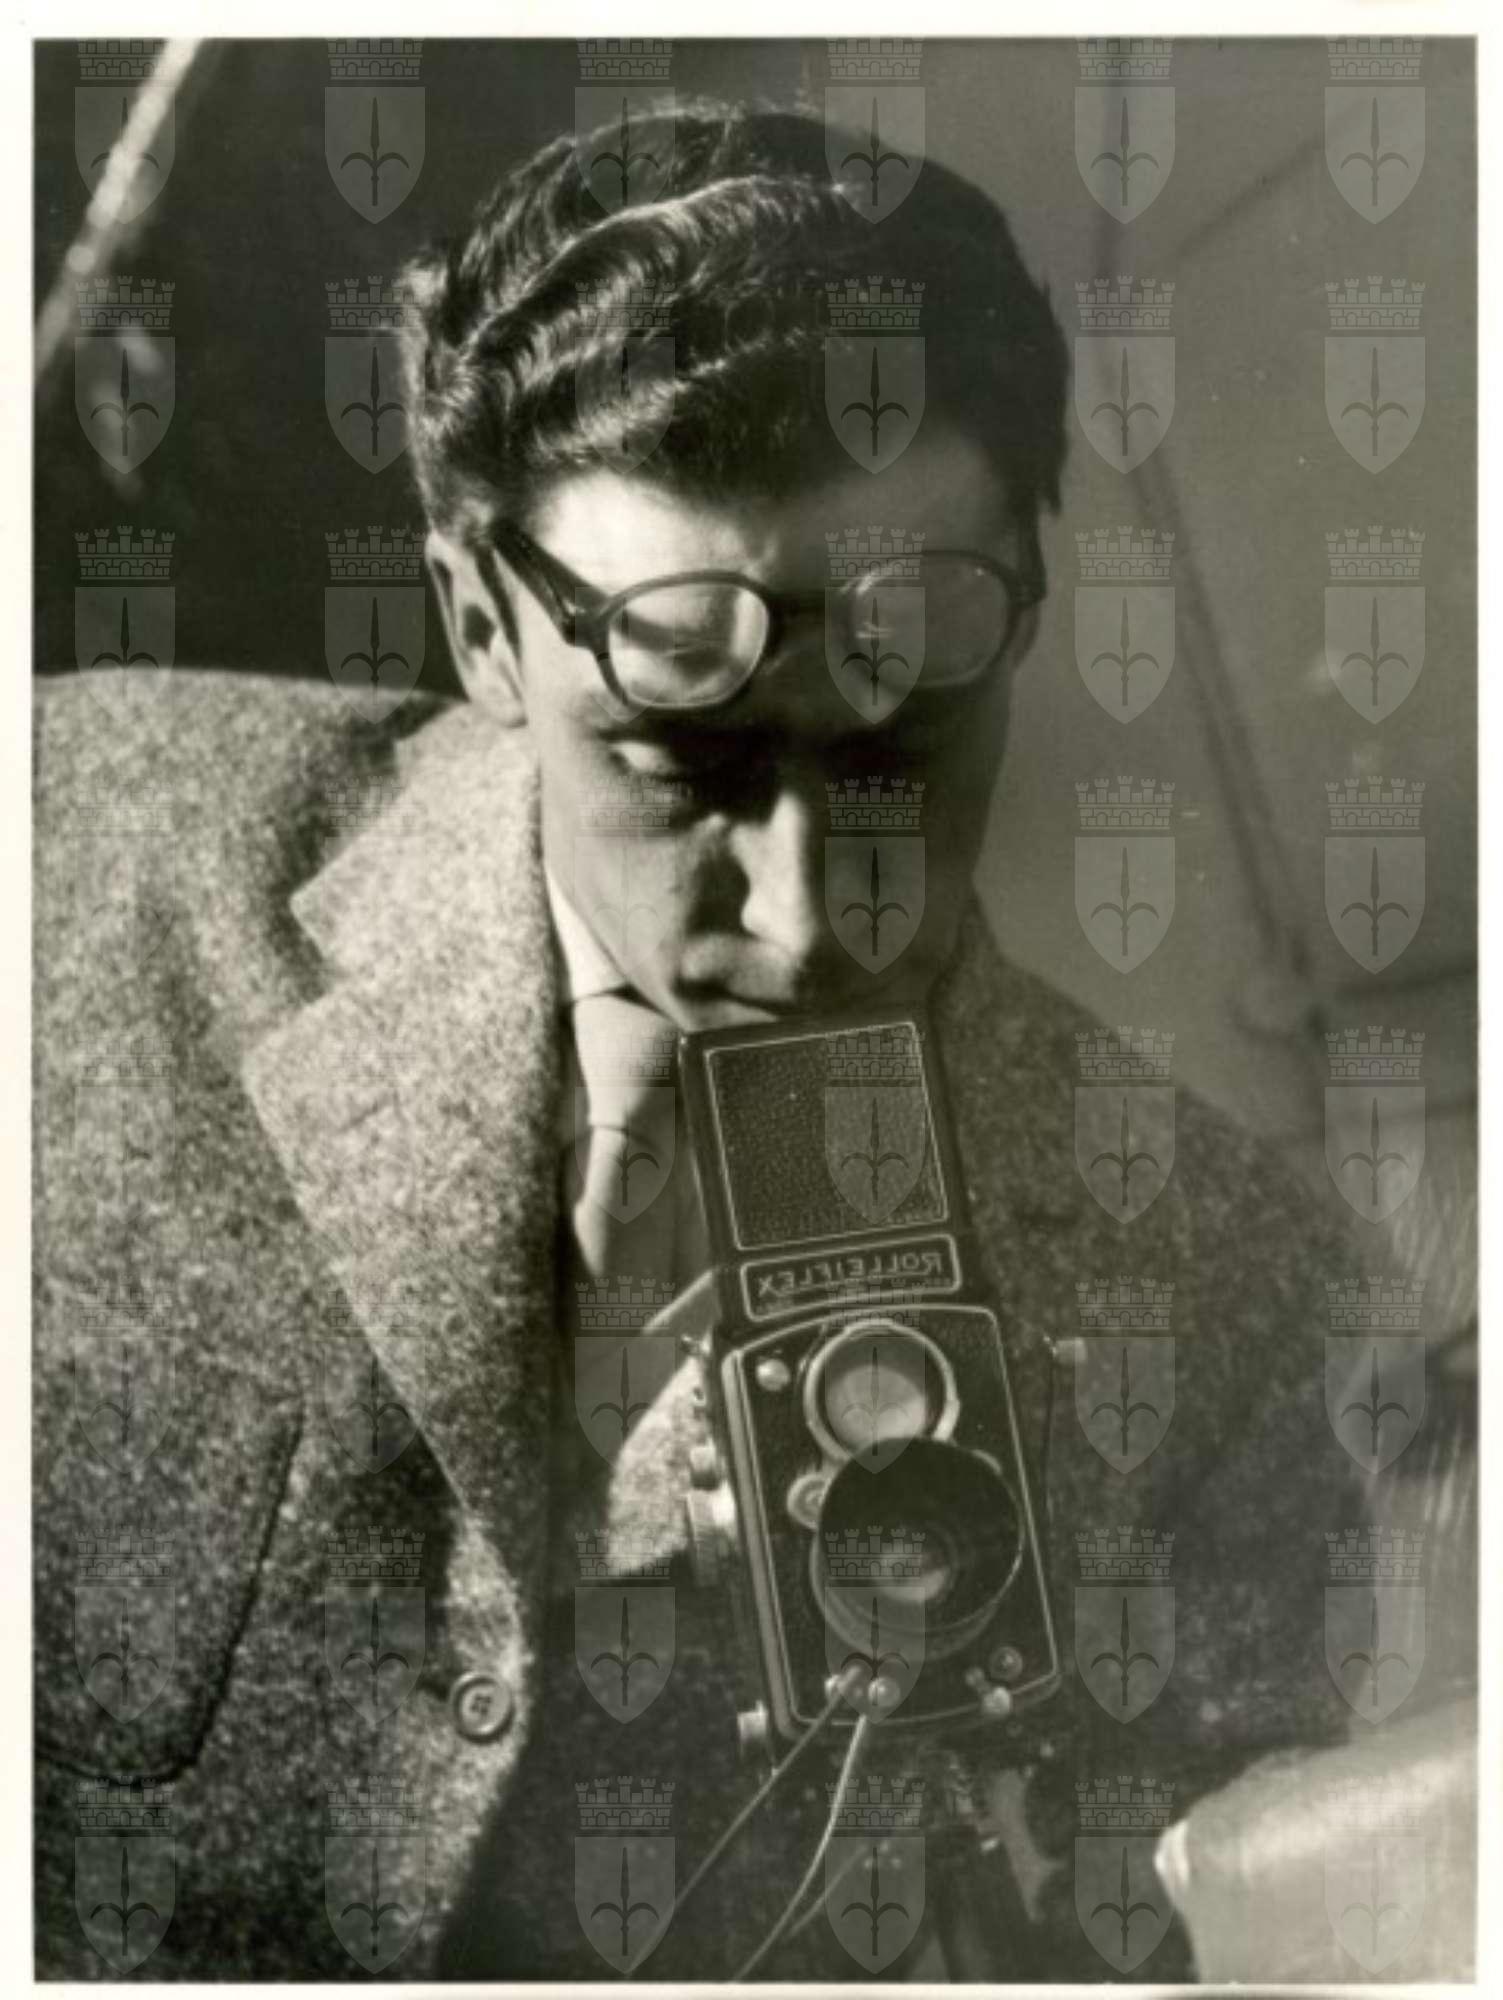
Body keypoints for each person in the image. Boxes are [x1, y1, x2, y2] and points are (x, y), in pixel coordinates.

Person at [34, 99, 1366, 1981]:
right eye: (683, 757)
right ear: (478, 622)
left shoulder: (1245, 1317)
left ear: (1028, 609)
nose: (816, 921)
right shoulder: (58, 869)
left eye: (905, 742)